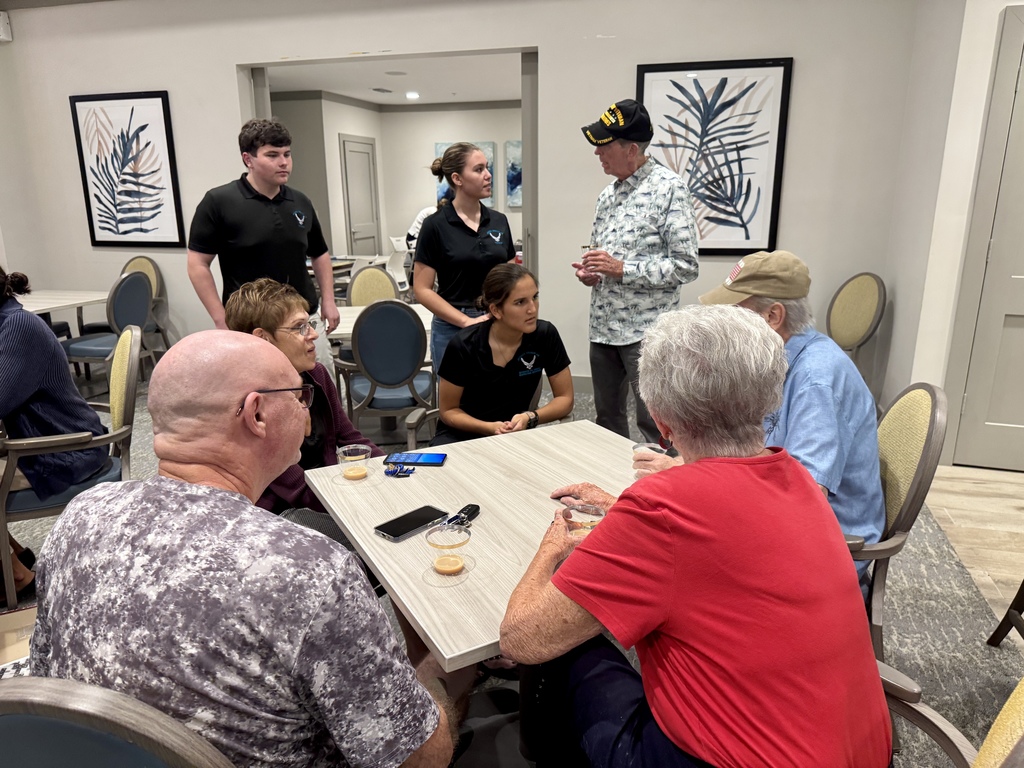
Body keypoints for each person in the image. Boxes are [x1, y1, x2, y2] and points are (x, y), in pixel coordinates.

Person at [31, 331, 454, 768]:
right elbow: (418, 759)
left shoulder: (81, 513)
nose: (308, 411)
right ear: (257, 414)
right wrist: (429, 671)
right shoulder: (309, 570)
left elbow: (44, 674)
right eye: (301, 396)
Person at [500, 304, 891, 768]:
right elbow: (723, 541)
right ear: (771, 397)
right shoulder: (798, 479)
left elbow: (521, 638)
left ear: (661, 421)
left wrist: (552, 545)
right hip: (861, 752)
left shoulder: (662, 509)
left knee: (563, 645)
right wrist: (620, 511)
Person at [635, 250, 885, 594]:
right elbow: (756, 454)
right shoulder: (778, 361)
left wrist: (692, 480)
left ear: (773, 316)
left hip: (821, 547)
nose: (725, 323)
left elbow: (802, 495)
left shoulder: (817, 378)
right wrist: (685, 466)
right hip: (786, 521)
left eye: (735, 312)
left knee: (664, 557)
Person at [575, 99, 699, 443]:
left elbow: (686, 266)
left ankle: (657, 491)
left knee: (655, 425)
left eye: (605, 146)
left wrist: (622, 269)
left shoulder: (669, 189)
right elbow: (606, 262)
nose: (598, 153)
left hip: (645, 334)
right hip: (603, 329)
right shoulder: (607, 196)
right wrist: (593, 273)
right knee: (606, 420)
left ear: (631, 149)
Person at [186, 118, 340, 365]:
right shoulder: (219, 202)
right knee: (262, 395)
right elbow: (197, 264)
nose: (283, 162)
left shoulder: (300, 202)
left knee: (319, 389)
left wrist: (329, 301)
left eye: (287, 154)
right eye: (272, 155)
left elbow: (320, 254)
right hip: (252, 325)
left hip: (304, 318)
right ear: (248, 159)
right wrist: (219, 318)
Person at [224, 277, 383, 515]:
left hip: (327, 495)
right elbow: (296, 489)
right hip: (283, 516)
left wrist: (391, 466)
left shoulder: (316, 375)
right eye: (300, 328)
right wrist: (361, 502)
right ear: (263, 338)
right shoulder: (251, 404)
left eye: (310, 325)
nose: (313, 335)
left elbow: (349, 438)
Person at [0, 267, 109, 601]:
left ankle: (16, 576)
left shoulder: (16, 326)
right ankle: (13, 557)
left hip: (63, 450)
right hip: (36, 445)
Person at [433, 264, 573, 444]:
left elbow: (565, 399)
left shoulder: (545, 335)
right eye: (520, 302)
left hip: (515, 434)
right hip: (461, 436)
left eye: (535, 297)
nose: (532, 309)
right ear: (496, 310)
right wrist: (490, 428)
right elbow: (448, 411)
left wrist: (531, 417)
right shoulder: (464, 344)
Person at [414, 143, 516, 371]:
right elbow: (421, 289)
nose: (488, 175)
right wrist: (466, 322)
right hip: (452, 326)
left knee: (498, 396)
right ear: (457, 179)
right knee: (455, 403)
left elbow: (511, 277)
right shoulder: (435, 225)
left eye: (487, 168)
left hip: (496, 320)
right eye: (479, 169)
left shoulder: (499, 221)